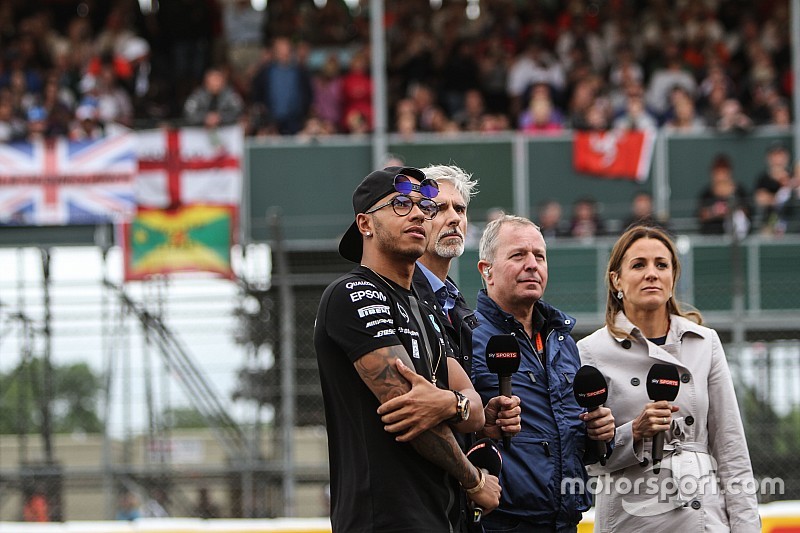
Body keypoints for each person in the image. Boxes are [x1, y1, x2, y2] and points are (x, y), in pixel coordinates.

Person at [315, 166, 501, 532]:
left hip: (440, 517)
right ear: (365, 224)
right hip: (383, 519)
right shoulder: (352, 294)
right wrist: (474, 481)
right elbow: (414, 416)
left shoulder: (426, 304)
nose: (418, 213)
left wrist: (451, 403)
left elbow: (475, 410)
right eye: (400, 204)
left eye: (423, 206)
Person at [576, 225, 761, 532]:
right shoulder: (591, 351)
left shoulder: (705, 342)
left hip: (703, 519)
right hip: (629, 518)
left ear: (673, 278)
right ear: (616, 280)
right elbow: (586, 459)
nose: (652, 273)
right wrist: (634, 431)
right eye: (639, 265)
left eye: (662, 265)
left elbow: (731, 450)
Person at [377, 164, 522, 530]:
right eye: (439, 208)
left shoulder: (457, 306)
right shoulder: (394, 297)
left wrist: (483, 421)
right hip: (406, 502)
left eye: (460, 209)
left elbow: (454, 404)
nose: (454, 218)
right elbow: (414, 407)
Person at [471, 214, 616, 532]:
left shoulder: (563, 341)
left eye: (539, 256)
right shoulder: (467, 337)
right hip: (499, 523)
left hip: (565, 521)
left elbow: (573, 437)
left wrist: (600, 433)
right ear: (487, 271)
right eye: (518, 255)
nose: (532, 264)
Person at [696, 154, 750, 236]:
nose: (721, 176)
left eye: (724, 172)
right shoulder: (706, 193)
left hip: (736, 237)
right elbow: (700, 215)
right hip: (711, 235)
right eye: (718, 172)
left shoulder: (739, 190)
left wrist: (730, 209)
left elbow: (746, 211)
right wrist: (714, 212)